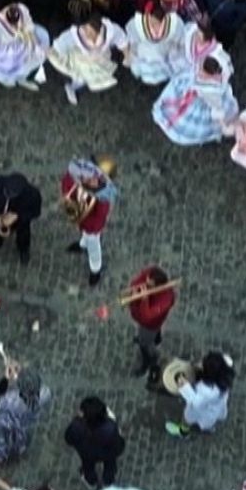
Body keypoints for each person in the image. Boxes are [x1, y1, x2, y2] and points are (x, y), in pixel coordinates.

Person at [152, 56, 238, 146]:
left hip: (201, 109)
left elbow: (217, 112)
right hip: (189, 104)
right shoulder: (190, 78)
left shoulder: (215, 93)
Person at [48, 14, 129, 105]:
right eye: (83, 28)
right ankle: (74, 86)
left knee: (92, 73)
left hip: (101, 58)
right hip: (81, 58)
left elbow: (122, 41)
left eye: (89, 30)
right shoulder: (76, 34)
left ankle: (76, 85)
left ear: (98, 27)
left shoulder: (111, 30)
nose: (85, 32)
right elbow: (59, 45)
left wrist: (127, 56)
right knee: (82, 71)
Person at [62, 158, 115, 287]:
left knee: (94, 246)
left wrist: (82, 220)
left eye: (93, 179)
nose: (89, 181)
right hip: (83, 221)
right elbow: (66, 182)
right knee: (86, 237)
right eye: (87, 177)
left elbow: (99, 217)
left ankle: (95, 269)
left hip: (92, 226)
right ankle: (82, 245)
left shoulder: (103, 195)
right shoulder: (76, 177)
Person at [0, 358, 51, 464]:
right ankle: (20, 447)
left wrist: (5, 379)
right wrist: (20, 371)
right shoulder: (46, 393)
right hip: (27, 419)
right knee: (21, 433)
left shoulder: (10, 400)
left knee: (2, 438)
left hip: (8, 421)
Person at [0, 4, 50, 90]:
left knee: (27, 63)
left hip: (21, 43)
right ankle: (17, 80)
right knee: (7, 69)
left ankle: (22, 78)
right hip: (4, 48)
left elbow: (28, 28)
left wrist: (34, 45)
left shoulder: (21, 10)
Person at [126, 265, 177, 388]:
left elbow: (147, 316)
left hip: (149, 324)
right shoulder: (151, 272)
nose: (147, 284)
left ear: (158, 285)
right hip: (141, 316)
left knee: (145, 343)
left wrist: (144, 298)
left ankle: (148, 360)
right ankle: (157, 338)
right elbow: (137, 281)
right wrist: (137, 289)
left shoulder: (165, 298)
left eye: (151, 284)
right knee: (153, 334)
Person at [0, 172, 43, 264]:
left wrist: (17, 216)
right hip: (2, 215)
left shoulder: (33, 195)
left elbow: (35, 213)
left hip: (21, 219)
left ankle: (23, 250)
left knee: (23, 235)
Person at [169, 352, 235, 437]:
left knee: (187, 419)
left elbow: (196, 402)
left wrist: (184, 386)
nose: (200, 363)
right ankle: (208, 428)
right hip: (216, 407)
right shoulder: (223, 375)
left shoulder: (207, 390)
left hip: (203, 409)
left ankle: (183, 432)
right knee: (210, 421)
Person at [64, 397, 124, 489]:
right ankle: (108, 481)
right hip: (108, 453)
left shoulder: (76, 426)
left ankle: (91, 481)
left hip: (87, 454)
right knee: (110, 465)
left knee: (88, 467)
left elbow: (68, 439)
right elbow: (118, 444)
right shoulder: (110, 427)